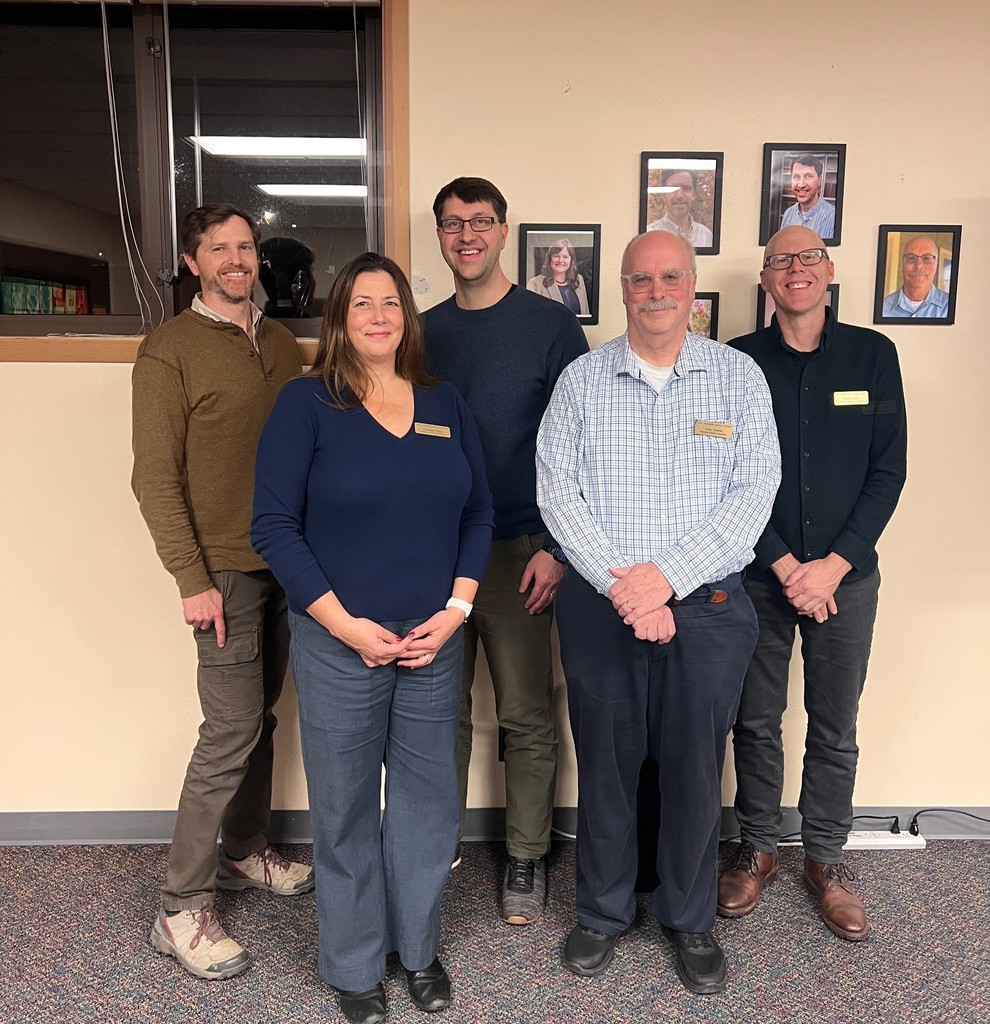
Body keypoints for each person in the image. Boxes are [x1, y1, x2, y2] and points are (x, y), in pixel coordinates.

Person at [537, 230, 781, 994]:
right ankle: (602, 912)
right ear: (621, 288)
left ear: (691, 285)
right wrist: (627, 589)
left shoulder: (738, 379)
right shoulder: (581, 381)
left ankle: (690, 918)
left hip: (707, 609)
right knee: (607, 767)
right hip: (601, 607)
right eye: (640, 279)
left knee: (694, 772)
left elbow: (754, 495)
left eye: (670, 277)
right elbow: (557, 492)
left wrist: (665, 579)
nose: (656, 291)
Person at [252, 252, 493, 1024]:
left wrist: (455, 611)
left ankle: (416, 951)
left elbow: (478, 512)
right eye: (362, 303)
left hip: (431, 643)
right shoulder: (306, 404)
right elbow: (273, 526)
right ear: (339, 317)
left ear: (407, 317)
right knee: (346, 806)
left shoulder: (444, 402)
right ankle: (355, 965)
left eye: (391, 302)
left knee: (427, 806)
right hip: (337, 643)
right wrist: (344, 624)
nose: (380, 315)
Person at [132, 203, 312, 981]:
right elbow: (153, 478)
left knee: (261, 718)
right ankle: (180, 906)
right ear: (193, 261)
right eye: (219, 249)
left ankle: (245, 849)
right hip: (224, 575)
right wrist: (192, 579)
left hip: (287, 564)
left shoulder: (278, 343)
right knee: (229, 730)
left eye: (245, 246)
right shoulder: (168, 350)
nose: (236, 260)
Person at [720, 226, 907, 942]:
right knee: (754, 719)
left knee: (834, 726)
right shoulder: (737, 361)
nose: (795, 270)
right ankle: (759, 846)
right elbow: (727, 475)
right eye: (780, 261)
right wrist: (782, 562)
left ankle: (826, 859)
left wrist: (833, 564)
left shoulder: (873, 355)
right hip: (760, 576)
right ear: (765, 279)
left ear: (827, 271)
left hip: (845, 581)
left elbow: (888, 471)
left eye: (808, 258)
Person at [424, 177, 588, 926]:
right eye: (453, 224)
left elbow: (580, 443)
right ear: (440, 234)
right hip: (432, 553)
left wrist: (557, 547)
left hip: (521, 551)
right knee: (439, 714)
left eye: (480, 222)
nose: (467, 236)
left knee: (525, 713)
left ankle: (526, 854)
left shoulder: (550, 326)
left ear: (502, 231)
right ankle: (434, 850)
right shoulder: (419, 332)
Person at [882, 235, 950, 317]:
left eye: (926, 258)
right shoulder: (882, 307)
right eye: (911, 258)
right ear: (902, 264)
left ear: (936, 265)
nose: (918, 265)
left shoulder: (952, 307)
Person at [646, 169, 714, 247]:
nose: (679, 196)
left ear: (694, 194)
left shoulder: (706, 236)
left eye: (686, 188)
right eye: (673, 189)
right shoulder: (650, 234)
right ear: (664, 195)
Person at [526, 238, 590, 316]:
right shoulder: (535, 283)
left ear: (571, 260)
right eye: (556, 256)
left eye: (565, 257)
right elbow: (531, 316)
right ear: (549, 259)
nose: (560, 260)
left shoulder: (579, 279)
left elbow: (586, 313)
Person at [779, 154, 835, 240]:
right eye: (796, 177)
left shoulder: (833, 217)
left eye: (808, 176)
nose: (801, 185)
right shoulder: (788, 214)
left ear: (819, 181)